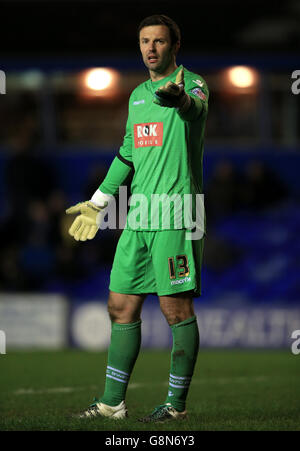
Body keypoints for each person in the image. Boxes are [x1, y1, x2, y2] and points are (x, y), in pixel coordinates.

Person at [66, 14, 209, 422]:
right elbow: (127, 153)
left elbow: (193, 110)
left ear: (174, 46)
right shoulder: (137, 97)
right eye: (145, 41)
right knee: (120, 306)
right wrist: (97, 203)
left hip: (178, 214)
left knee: (175, 311)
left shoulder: (193, 84)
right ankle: (112, 404)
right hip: (139, 215)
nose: (151, 48)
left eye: (160, 41)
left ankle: (176, 408)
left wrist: (178, 99)